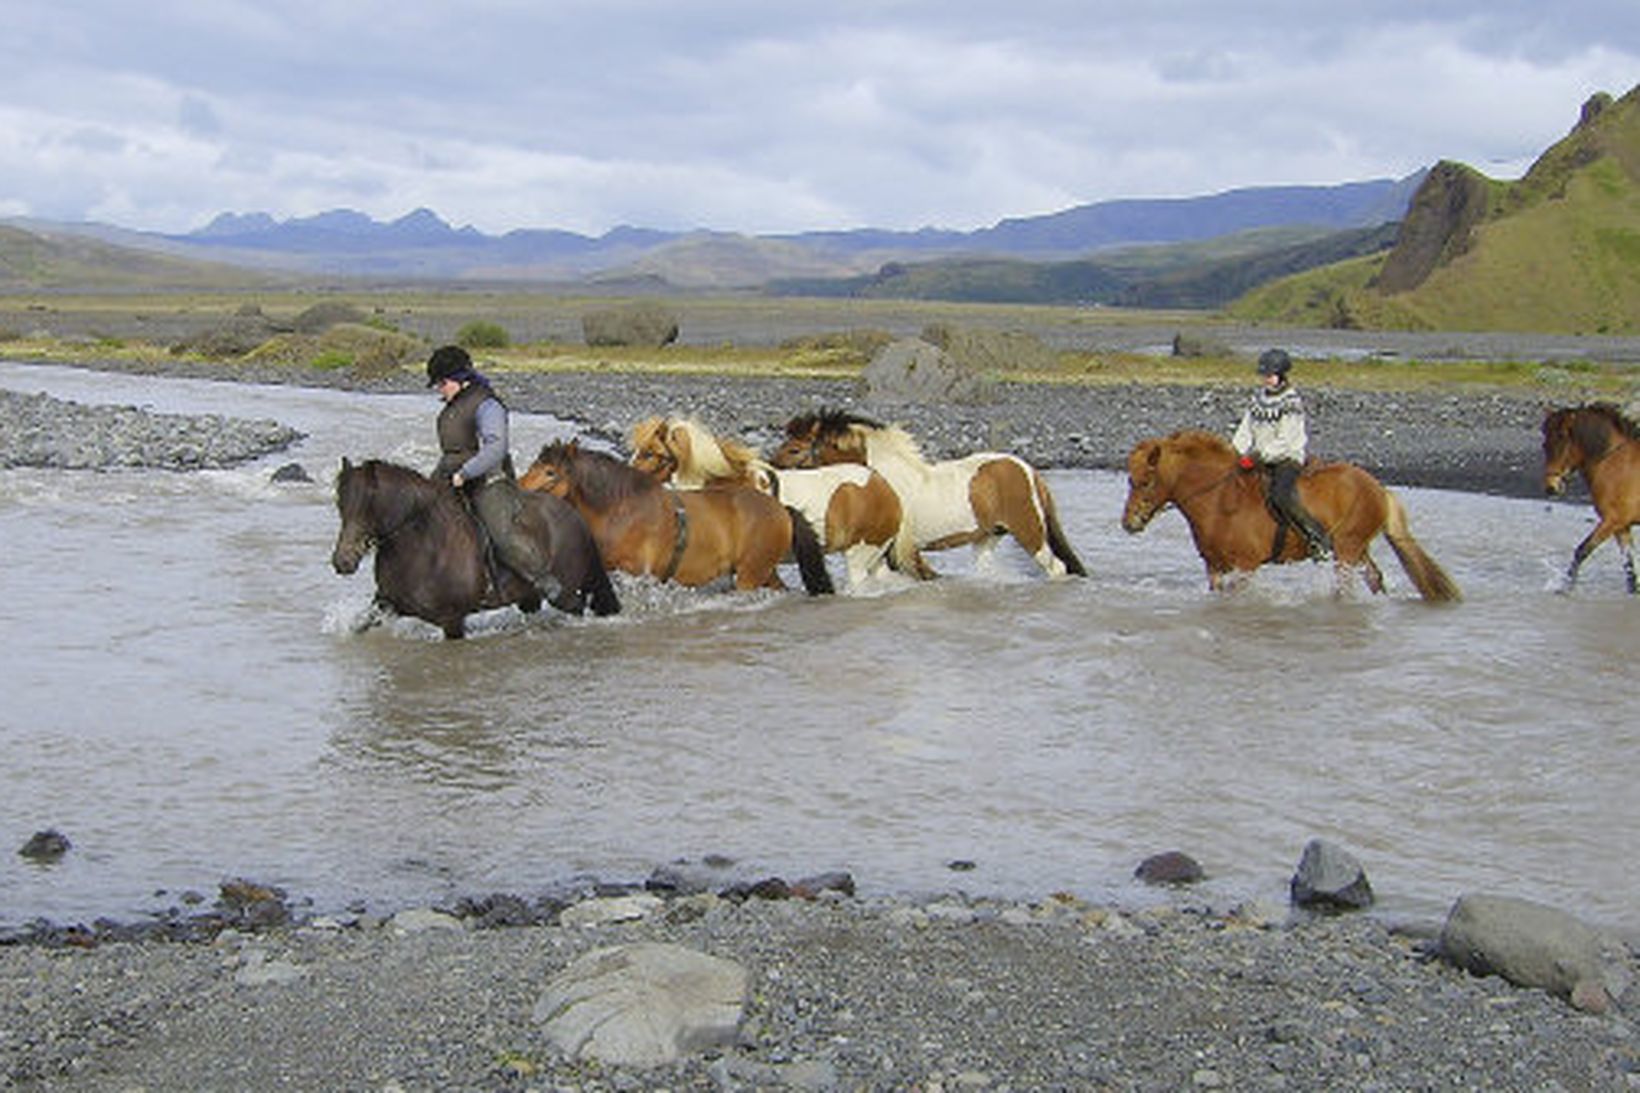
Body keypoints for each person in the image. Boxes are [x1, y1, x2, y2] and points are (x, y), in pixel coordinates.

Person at [426, 344, 560, 595]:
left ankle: (545, 581)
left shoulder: (488, 406)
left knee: (502, 536)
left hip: (489, 480)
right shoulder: (452, 406)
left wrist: (465, 474)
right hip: (449, 476)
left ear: (459, 379)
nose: (439, 389)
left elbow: (496, 447)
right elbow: (452, 451)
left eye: (442, 383)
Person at [1231, 348, 1335, 562]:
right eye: (1264, 375)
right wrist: (1234, 452)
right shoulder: (1258, 398)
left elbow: (1286, 439)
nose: (1266, 379)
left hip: (1286, 458)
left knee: (1281, 495)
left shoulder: (1291, 402)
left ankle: (1317, 538)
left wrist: (1259, 456)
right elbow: (1246, 428)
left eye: (1269, 375)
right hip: (1259, 457)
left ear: (1281, 375)